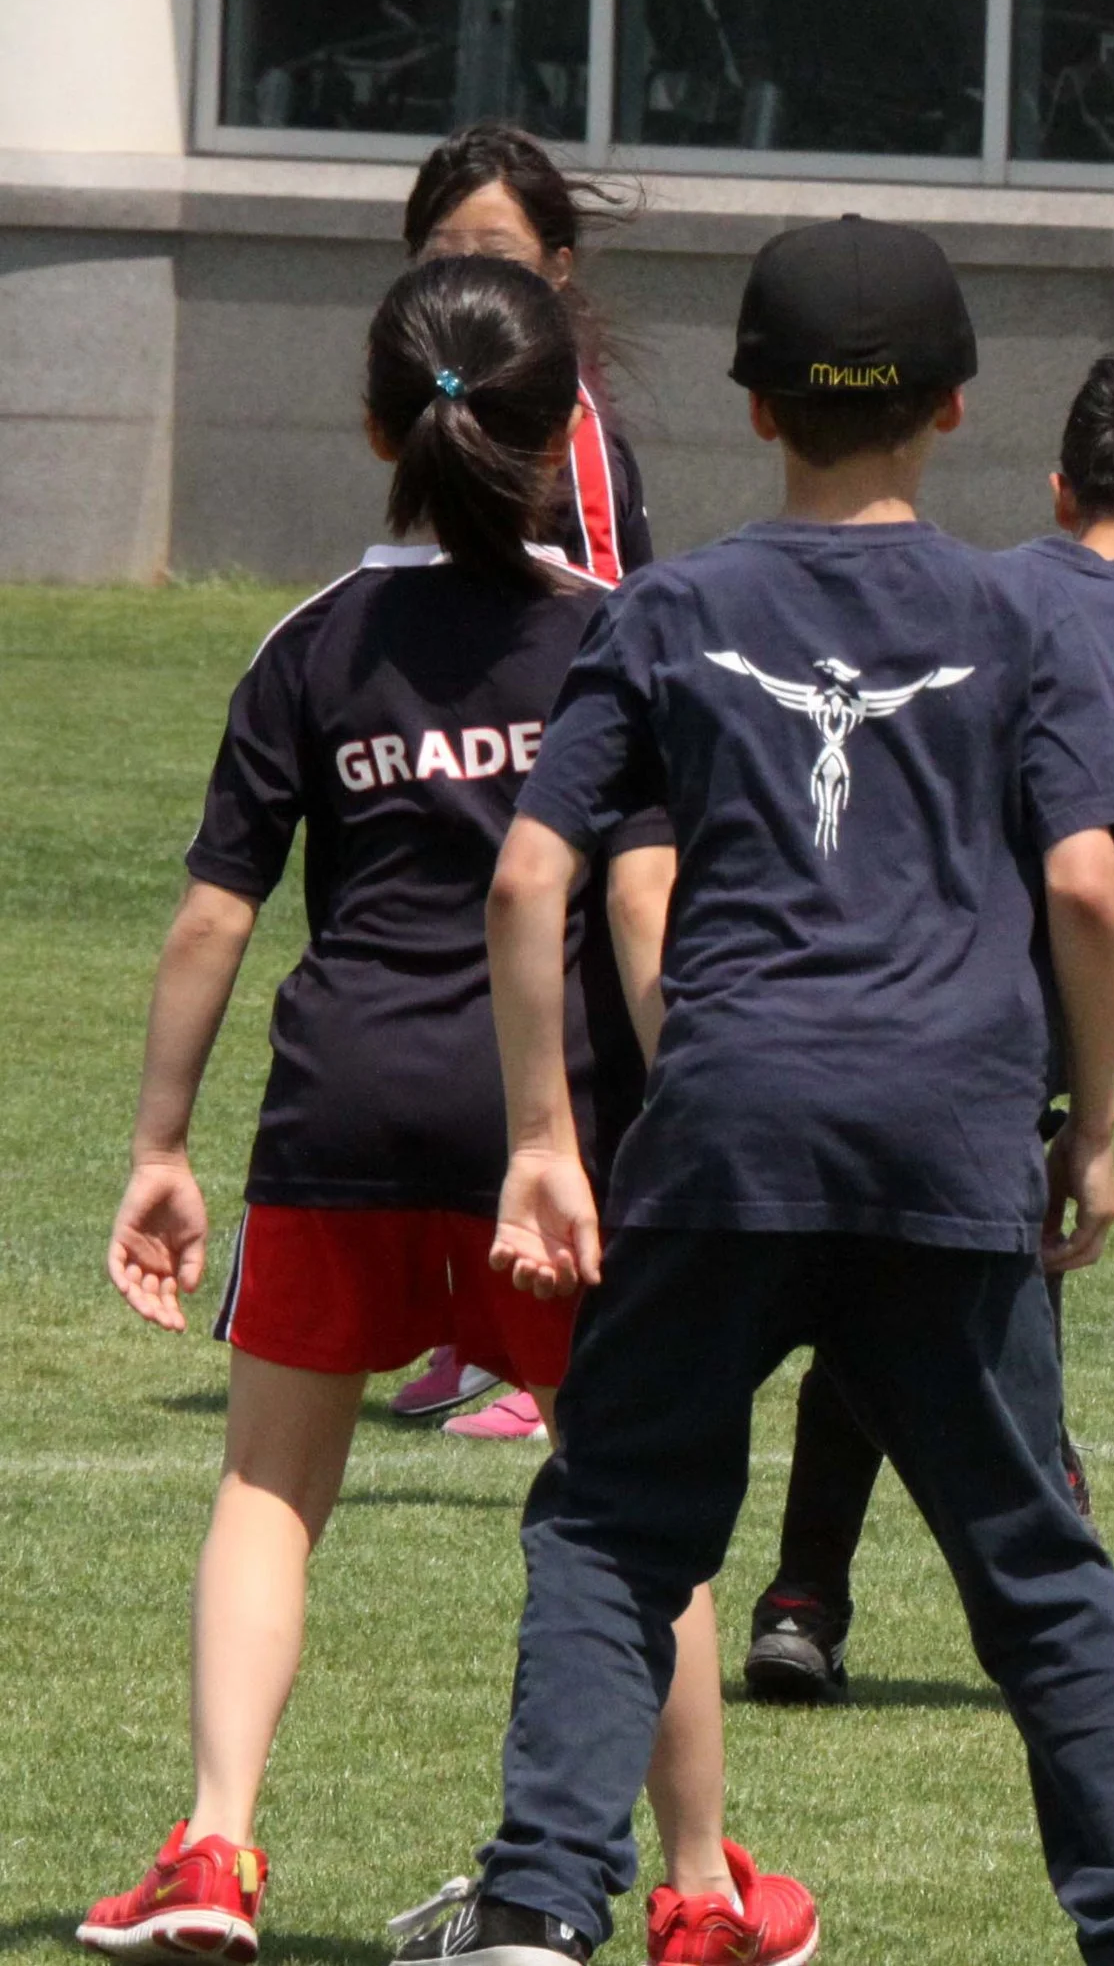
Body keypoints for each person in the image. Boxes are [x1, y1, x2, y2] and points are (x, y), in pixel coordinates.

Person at [388, 218, 1114, 1966]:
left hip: (730, 1126)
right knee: (1037, 1572)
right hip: (948, 1136)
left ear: (757, 409)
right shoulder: (1018, 612)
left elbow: (530, 881)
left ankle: (544, 1905)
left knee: (616, 1525)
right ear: (957, 406)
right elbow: (1090, 892)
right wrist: (1094, 1132)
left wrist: (545, 1137)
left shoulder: (678, 607)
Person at [77, 258, 811, 1966]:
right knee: (637, 1505)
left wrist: (160, 1148)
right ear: (573, 439)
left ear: (371, 426)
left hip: (338, 1122)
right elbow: (642, 913)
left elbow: (214, 915)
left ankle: (213, 1849)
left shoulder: (313, 640)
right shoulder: (613, 635)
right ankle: (702, 1890)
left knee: (270, 1487)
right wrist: (690, 1100)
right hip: (544, 1137)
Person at [744, 353, 1114, 1704]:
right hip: (1008, 1067)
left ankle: (803, 1600)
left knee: (865, 1311)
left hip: (850, 1015)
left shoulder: (964, 600)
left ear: (1059, 489)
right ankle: (1065, 1632)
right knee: (999, 1344)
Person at [390, 123, 655, 1434]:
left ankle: (546, 1351)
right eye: (441, 252)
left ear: (556, 265)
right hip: (468, 786)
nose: (466, 272)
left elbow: (609, 622)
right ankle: (462, 1325)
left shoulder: (576, 440)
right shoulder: (445, 406)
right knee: (459, 1049)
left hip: (554, 799)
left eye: (493, 251)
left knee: (557, 1063)